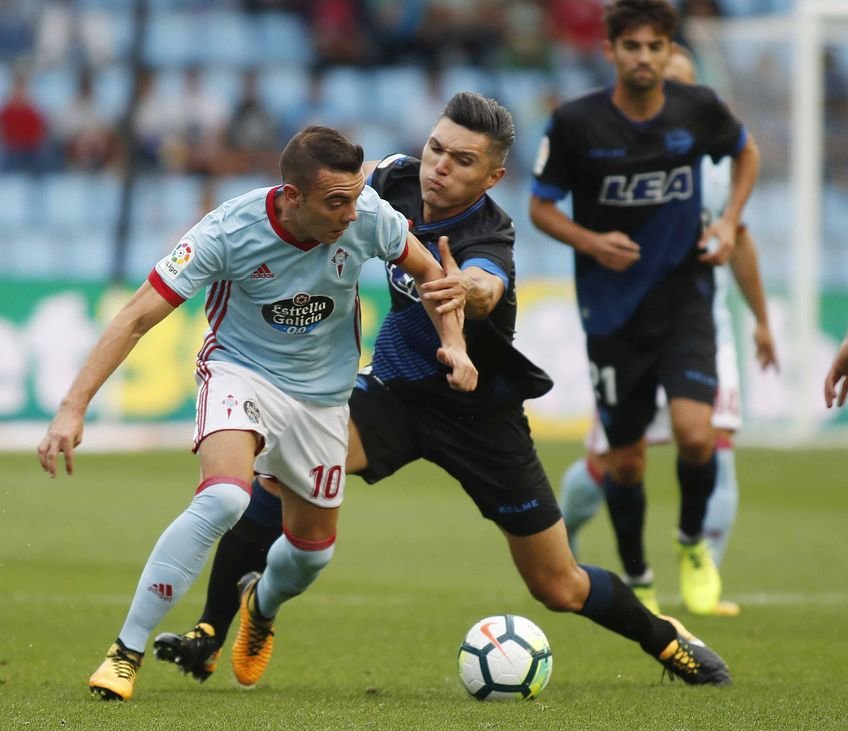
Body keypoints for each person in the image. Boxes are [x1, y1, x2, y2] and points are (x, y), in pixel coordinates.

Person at [153, 92, 731, 690]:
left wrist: (465, 289)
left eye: (462, 160)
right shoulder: (392, 180)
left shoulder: (489, 234)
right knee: (277, 476)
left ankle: (668, 642)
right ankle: (212, 631)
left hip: (481, 416)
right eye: (436, 149)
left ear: (493, 176)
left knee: (558, 585)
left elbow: (485, 285)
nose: (440, 167)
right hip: (394, 394)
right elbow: (323, 185)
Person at [37, 124, 477, 702]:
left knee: (312, 555)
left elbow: (432, 275)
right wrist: (72, 409)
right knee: (225, 498)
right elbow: (134, 317)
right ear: (293, 196)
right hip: (241, 372)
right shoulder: (228, 231)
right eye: (335, 202)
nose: (349, 214)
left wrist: (456, 344)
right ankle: (125, 652)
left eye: (354, 197)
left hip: (323, 399)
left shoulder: (368, 215)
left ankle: (260, 604)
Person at [529, 0, 760, 617]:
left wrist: (730, 222)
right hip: (612, 313)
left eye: (655, 46)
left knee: (696, 434)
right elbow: (541, 207)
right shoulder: (576, 123)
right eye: (631, 46)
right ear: (610, 51)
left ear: (668, 50)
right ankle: (637, 573)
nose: (643, 57)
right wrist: (591, 242)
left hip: (686, 299)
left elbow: (747, 153)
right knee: (625, 461)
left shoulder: (698, 108)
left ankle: (692, 545)